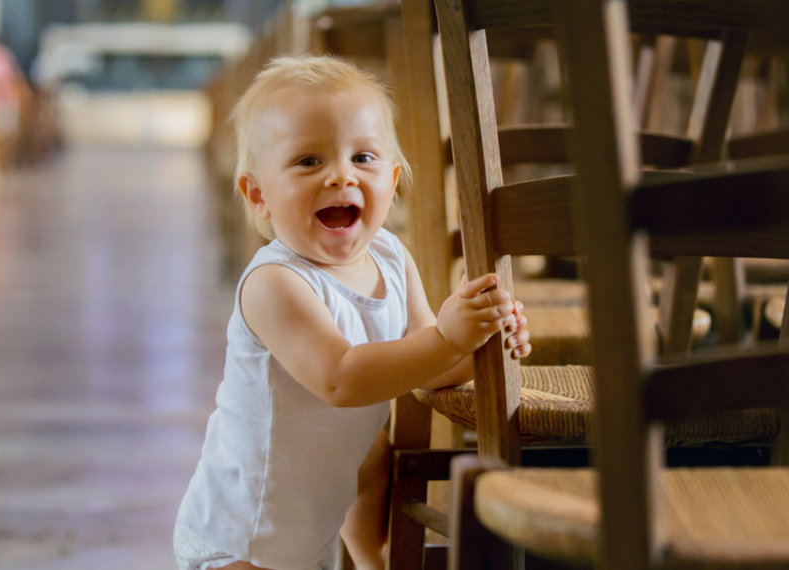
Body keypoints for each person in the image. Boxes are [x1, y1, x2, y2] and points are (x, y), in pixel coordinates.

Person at [174, 55, 533, 570]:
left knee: (373, 458)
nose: (340, 175)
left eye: (362, 157)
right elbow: (341, 379)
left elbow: (422, 362)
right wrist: (448, 340)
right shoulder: (274, 282)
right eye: (308, 162)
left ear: (392, 177)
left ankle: (371, 559)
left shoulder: (391, 257)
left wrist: (482, 337)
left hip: (312, 532)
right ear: (259, 197)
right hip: (238, 539)